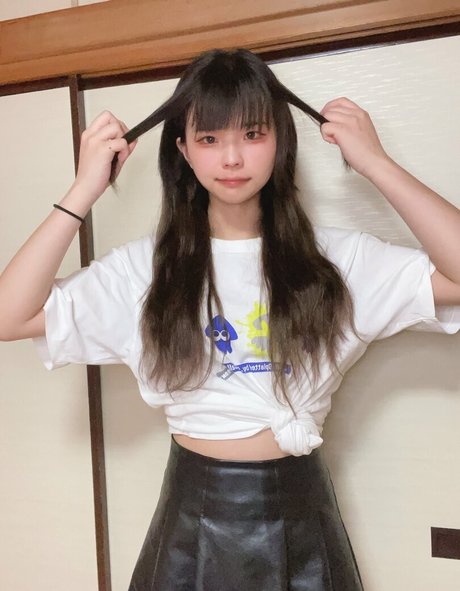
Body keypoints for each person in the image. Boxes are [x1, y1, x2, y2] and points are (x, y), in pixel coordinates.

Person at [0, 48, 459, 591]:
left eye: (253, 134)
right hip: (190, 518)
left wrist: (376, 163)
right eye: (210, 138)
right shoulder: (144, 270)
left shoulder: (338, 261)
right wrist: (84, 190)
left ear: (281, 140)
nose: (233, 158)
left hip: (302, 514)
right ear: (184, 150)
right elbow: (9, 316)